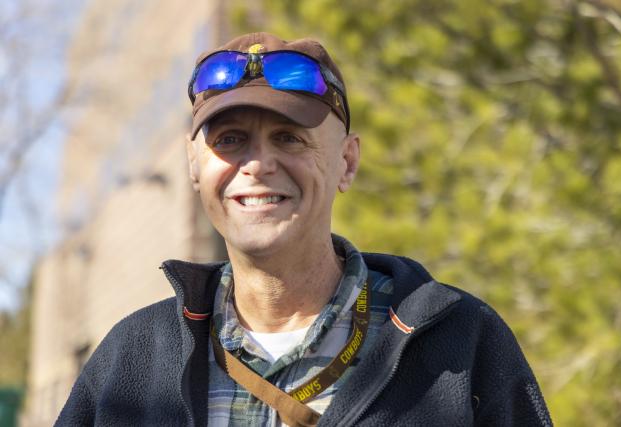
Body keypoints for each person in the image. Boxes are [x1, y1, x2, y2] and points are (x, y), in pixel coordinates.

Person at [56, 32, 552, 426]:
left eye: (289, 138)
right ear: (194, 167)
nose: (257, 164)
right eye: (230, 140)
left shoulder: (460, 342)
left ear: (347, 162)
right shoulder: (133, 357)